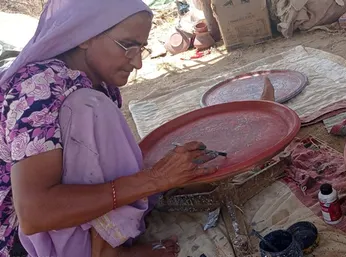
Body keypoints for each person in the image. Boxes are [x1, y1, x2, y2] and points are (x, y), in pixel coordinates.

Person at [0, 0, 222, 256]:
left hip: (60, 220)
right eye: (127, 46)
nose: (137, 62)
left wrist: (165, 174)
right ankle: (104, 251)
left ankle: (105, 242)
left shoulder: (98, 82)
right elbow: (34, 213)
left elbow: (99, 161)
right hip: (20, 243)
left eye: (141, 47)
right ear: (85, 35)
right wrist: (155, 179)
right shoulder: (38, 87)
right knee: (89, 106)